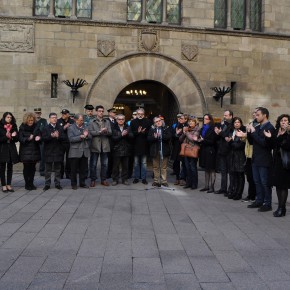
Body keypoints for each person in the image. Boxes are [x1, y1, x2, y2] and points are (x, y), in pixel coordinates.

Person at [247, 107, 275, 212]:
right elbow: (251, 142)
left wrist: (253, 133)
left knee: (265, 182)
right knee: (257, 181)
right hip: (255, 158)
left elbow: (265, 144)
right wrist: (249, 132)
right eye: (255, 114)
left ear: (265, 115)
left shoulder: (269, 127)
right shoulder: (258, 127)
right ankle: (259, 200)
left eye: (258, 115)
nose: (256, 116)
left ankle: (267, 203)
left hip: (264, 159)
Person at [264, 114, 290, 217]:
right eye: (281, 120)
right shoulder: (277, 131)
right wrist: (269, 138)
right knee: (278, 186)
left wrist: (282, 135)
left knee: (283, 186)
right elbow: (272, 145)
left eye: (285, 120)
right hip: (277, 162)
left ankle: (281, 208)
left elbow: (287, 146)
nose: (283, 122)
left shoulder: (288, 133)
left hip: (286, 163)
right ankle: (280, 206)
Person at [88, 105, 112, 187]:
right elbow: (90, 132)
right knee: (93, 164)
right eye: (99, 111)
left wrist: (106, 131)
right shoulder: (92, 121)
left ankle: (103, 179)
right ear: (96, 112)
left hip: (105, 145)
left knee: (104, 164)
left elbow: (110, 132)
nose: (101, 112)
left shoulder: (107, 121)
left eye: (102, 111)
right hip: (95, 145)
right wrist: (99, 131)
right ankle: (93, 179)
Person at [42, 113, 65, 191]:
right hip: (49, 151)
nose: (54, 119)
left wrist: (58, 136)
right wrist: (51, 136)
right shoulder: (46, 128)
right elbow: (43, 138)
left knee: (58, 169)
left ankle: (57, 183)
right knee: (48, 169)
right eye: (52, 118)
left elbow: (64, 138)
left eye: (55, 117)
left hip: (58, 151)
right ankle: (47, 184)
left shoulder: (60, 128)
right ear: (49, 119)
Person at [67, 114, 91, 190]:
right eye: (81, 120)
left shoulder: (85, 127)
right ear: (76, 120)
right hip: (75, 151)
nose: (82, 121)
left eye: (82, 120)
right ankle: (73, 184)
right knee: (74, 169)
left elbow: (90, 136)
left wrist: (87, 136)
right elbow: (71, 139)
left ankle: (82, 183)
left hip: (84, 150)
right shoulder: (71, 128)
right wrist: (80, 137)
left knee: (83, 169)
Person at [19, 112, 41, 190]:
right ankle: (27, 184)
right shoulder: (22, 127)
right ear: (26, 120)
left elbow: (39, 137)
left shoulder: (36, 127)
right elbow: (20, 138)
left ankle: (31, 183)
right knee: (26, 168)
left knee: (33, 168)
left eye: (32, 120)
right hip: (25, 152)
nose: (31, 122)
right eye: (29, 120)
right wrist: (28, 138)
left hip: (34, 151)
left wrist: (38, 138)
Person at [148, 116, 172, 187]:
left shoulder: (166, 128)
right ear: (154, 123)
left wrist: (161, 135)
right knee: (156, 167)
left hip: (164, 150)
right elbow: (148, 139)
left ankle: (164, 181)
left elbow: (169, 137)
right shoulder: (152, 129)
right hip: (155, 150)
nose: (158, 122)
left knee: (163, 167)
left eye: (159, 121)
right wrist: (154, 137)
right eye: (156, 121)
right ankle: (156, 181)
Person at [130, 108, 152, 184]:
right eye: (138, 114)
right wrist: (138, 132)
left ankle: (143, 178)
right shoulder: (133, 122)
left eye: (141, 114)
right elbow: (131, 134)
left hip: (145, 145)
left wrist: (143, 132)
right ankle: (136, 177)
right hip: (135, 145)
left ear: (144, 114)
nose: (140, 115)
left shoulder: (148, 122)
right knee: (136, 163)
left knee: (144, 163)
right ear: (136, 114)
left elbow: (150, 133)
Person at [214, 110, 233, 195]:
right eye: (224, 115)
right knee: (223, 171)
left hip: (229, 151)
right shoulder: (222, 125)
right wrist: (217, 133)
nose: (224, 117)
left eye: (226, 115)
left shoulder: (233, 125)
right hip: (222, 150)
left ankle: (230, 189)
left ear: (231, 116)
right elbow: (221, 137)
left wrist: (220, 132)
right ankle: (223, 188)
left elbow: (228, 136)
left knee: (230, 172)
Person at [227, 117, 246, 200]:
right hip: (232, 156)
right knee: (234, 175)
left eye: (238, 122)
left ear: (241, 123)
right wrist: (229, 141)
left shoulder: (243, 132)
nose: (237, 124)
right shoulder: (232, 132)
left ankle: (239, 193)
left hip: (240, 156)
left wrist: (231, 141)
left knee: (240, 175)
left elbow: (240, 146)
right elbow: (229, 146)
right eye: (235, 122)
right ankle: (234, 191)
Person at [111, 114, 133, 185]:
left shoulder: (128, 127)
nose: (121, 120)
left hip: (126, 149)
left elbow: (132, 137)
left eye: (122, 119)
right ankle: (115, 180)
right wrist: (121, 135)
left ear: (124, 120)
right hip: (116, 149)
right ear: (116, 120)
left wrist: (127, 134)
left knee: (125, 166)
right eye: (119, 119)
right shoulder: (113, 127)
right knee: (115, 166)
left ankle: (125, 179)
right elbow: (113, 138)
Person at [179, 116, 200, 190]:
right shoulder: (187, 129)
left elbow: (193, 139)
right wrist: (184, 133)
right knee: (187, 167)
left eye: (192, 121)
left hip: (192, 150)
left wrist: (187, 132)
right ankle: (188, 183)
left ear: (195, 122)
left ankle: (194, 184)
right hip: (185, 150)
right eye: (189, 121)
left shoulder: (197, 129)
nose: (190, 122)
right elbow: (180, 139)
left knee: (193, 168)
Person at [0, 112, 19, 192]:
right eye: (8, 117)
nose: (9, 119)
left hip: (11, 148)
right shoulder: (0, 126)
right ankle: (3, 185)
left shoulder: (14, 126)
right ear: (4, 117)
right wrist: (6, 136)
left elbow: (17, 139)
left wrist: (13, 137)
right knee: (2, 168)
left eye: (10, 117)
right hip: (2, 149)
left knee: (10, 167)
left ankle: (9, 184)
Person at [199, 114, 218, 193]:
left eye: (206, 119)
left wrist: (203, 140)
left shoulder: (213, 128)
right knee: (206, 168)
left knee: (211, 168)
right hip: (204, 149)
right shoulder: (203, 128)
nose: (205, 120)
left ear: (210, 120)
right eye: (204, 119)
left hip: (211, 150)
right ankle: (206, 186)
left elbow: (213, 141)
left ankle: (212, 187)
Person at [57, 109, 74, 179]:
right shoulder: (59, 121)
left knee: (69, 159)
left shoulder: (72, 121)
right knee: (60, 159)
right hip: (61, 142)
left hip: (69, 142)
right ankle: (60, 174)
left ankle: (68, 173)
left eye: (64, 114)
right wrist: (64, 127)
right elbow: (57, 131)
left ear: (68, 114)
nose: (63, 115)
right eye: (62, 114)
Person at [170, 113, 185, 185]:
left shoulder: (187, 126)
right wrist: (176, 134)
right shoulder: (175, 126)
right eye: (178, 117)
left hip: (184, 147)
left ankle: (183, 178)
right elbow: (172, 136)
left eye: (181, 118)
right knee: (176, 163)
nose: (179, 119)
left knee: (184, 164)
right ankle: (177, 178)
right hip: (176, 147)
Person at [34, 108, 47, 176]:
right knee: (33, 155)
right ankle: (32, 169)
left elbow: (45, 130)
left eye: (39, 113)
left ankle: (42, 170)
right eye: (36, 113)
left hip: (41, 140)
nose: (37, 114)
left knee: (42, 155)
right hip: (34, 140)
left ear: (40, 113)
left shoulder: (44, 121)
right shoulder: (32, 121)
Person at [106, 107, 117, 179]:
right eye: (113, 112)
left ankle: (114, 173)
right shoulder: (106, 121)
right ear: (109, 113)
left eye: (115, 113)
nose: (115, 114)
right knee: (109, 159)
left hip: (116, 142)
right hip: (108, 142)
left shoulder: (116, 121)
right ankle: (108, 173)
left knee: (114, 159)